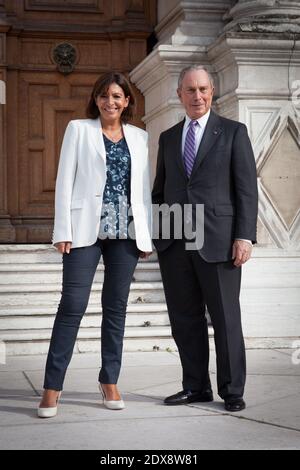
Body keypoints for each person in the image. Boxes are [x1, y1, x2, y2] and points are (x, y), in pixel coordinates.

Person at [38, 72, 152, 418]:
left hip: (126, 234)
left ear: (127, 101)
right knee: (72, 306)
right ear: (96, 99)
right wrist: (62, 230)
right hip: (84, 231)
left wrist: (145, 234)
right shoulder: (78, 129)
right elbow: (64, 180)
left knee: (116, 309)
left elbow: (142, 189)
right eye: (104, 96)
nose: (110, 102)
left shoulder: (139, 137)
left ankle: (109, 380)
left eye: (117, 96)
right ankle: (51, 387)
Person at [152, 65, 258, 412]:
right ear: (179, 94)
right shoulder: (167, 138)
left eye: (203, 89)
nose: (197, 96)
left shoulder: (233, 132)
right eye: (190, 90)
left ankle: (232, 390)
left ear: (212, 92)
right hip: (175, 243)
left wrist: (244, 236)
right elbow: (160, 191)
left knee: (226, 318)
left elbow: (246, 189)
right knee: (184, 319)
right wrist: (153, 236)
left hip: (219, 241)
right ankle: (195, 386)